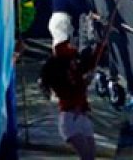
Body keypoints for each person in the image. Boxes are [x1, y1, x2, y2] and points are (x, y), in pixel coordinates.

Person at [40, 13, 96, 160]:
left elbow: (87, 65)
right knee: (87, 157)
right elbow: (71, 92)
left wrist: (100, 46)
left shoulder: (71, 64)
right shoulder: (58, 71)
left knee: (90, 156)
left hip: (81, 114)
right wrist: (84, 83)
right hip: (71, 117)